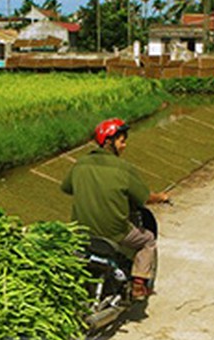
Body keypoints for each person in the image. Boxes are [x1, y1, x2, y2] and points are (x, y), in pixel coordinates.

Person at [60, 118, 169, 299]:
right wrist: (161, 197)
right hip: (114, 232)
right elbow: (144, 197)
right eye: (121, 140)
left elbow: (66, 188)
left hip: (81, 231)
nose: (124, 145)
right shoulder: (124, 169)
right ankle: (138, 286)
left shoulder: (80, 164)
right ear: (109, 142)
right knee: (148, 240)